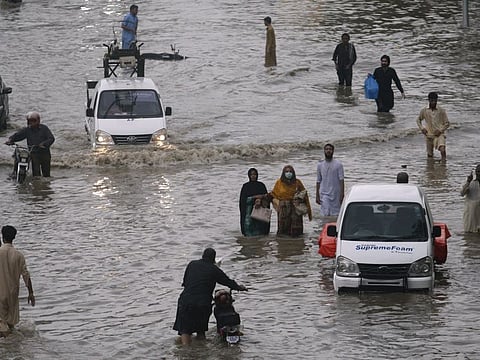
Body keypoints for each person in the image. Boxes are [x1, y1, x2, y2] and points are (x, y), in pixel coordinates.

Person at [173, 248, 247, 345]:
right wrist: (239, 287)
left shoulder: (192, 264)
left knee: (185, 330)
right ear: (214, 259)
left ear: (203, 256)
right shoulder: (214, 270)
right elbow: (228, 282)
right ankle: (202, 351)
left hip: (186, 301)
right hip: (203, 304)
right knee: (201, 330)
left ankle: (186, 351)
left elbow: (185, 283)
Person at [0, 225, 35, 337]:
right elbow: (26, 275)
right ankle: (14, 347)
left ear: (2, 237)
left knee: (1, 323)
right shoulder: (19, 255)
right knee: (11, 324)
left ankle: (7, 346)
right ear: (13, 238)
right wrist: (31, 293)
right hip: (13, 295)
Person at [5, 111, 55, 177]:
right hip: (34, 153)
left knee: (46, 174)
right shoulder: (27, 130)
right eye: (30, 121)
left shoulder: (44, 128)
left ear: (38, 120)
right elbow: (18, 135)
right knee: (36, 174)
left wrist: (44, 144)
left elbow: (51, 138)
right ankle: (37, 185)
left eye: (34, 120)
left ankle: (46, 185)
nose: (32, 122)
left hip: (45, 153)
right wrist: (10, 140)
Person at [269, 165, 312, 236]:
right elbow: (274, 195)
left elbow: (304, 194)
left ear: (293, 173)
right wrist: (277, 204)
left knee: (296, 232)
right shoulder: (279, 183)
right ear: (283, 173)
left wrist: (299, 200)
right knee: (283, 232)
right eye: (286, 171)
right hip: (283, 209)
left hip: (295, 209)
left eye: (290, 171)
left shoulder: (297, 182)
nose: (288, 173)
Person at [416, 92, 450, 161]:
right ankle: (430, 167)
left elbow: (447, 123)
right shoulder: (424, 110)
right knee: (430, 155)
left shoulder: (441, 110)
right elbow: (418, 120)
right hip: (428, 135)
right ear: (429, 100)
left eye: (435, 101)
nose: (433, 102)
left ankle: (444, 164)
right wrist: (422, 128)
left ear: (437, 100)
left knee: (442, 149)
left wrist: (440, 130)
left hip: (439, 134)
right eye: (432, 101)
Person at [239, 168, 270, 236]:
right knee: (249, 233)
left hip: (260, 212)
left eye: (255, 174)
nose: (253, 176)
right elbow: (242, 200)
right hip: (248, 212)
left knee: (261, 233)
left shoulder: (261, 185)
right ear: (249, 176)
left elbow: (267, 198)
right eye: (251, 174)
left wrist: (261, 199)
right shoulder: (245, 186)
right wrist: (254, 198)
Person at [316, 144, 345, 216]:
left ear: (333, 151)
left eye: (330, 149)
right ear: (324, 151)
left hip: (335, 193)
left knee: (335, 214)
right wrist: (317, 195)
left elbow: (341, 180)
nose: (328, 151)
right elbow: (318, 180)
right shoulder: (320, 165)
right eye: (326, 149)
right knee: (325, 213)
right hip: (324, 193)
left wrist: (342, 194)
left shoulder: (338, 164)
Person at [460, 164, 480, 233]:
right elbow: (462, 193)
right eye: (478, 171)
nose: (479, 174)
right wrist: (468, 182)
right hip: (471, 214)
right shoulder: (469, 181)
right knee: (469, 234)